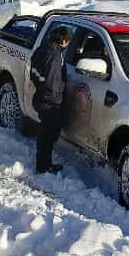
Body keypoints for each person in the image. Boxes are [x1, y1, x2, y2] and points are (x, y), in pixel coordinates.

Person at [30, 26, 72, 174]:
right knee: (48, 135)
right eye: (68, 41)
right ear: (62, 41)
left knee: (46, 133)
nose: (68, 44)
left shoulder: (42, 49)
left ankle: (44, 163)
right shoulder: (54, 57)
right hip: (50, 103)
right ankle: (43, 167)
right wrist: (56, 103)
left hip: (41, 97)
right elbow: (52, 84)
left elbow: (34, 73)